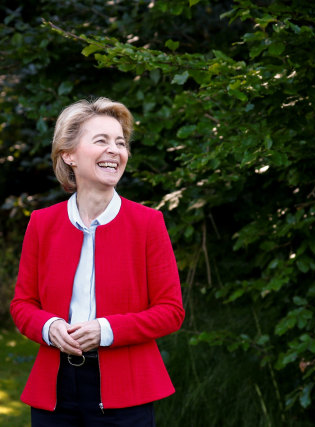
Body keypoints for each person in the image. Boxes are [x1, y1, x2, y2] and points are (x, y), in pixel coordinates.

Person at [10, 97, 185, 426]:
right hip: (55, 388)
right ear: (69, 154)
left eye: (120, 142)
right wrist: (49, 328)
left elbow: (171, 312)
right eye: (101, 140)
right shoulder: (42, 223)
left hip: (127, 390)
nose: (115, 150)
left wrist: (105, 330)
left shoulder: (148, 223)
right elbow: (22, 305)